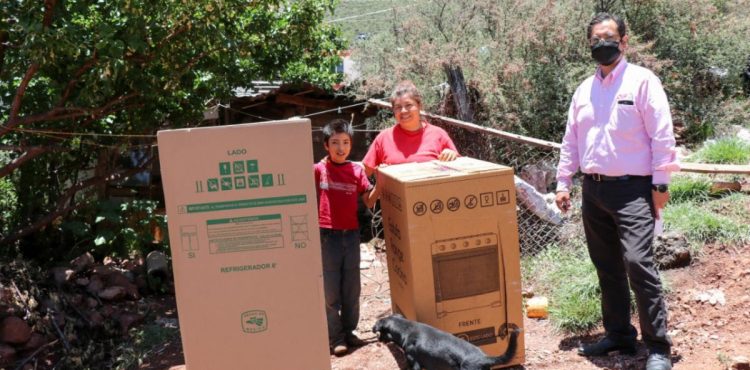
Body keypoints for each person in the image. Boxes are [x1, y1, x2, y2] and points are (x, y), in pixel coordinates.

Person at [555, 13, 679, 370]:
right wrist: (564, 182)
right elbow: (571, 141)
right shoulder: (584, 89)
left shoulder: (642, 82)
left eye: (609, 37)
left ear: (624, 42)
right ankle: (620, 334)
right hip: (593, 191)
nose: (602, 44)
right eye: (595, 39)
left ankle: (658, 348)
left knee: (639, 264)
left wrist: (661, 183)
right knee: (607, 267)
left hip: (633, 190)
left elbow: (662, 135)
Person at [314, 119, 377, 356]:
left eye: (346, 142)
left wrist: (380, 181)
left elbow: (369, 200)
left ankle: (350, 332)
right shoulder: (318, 169)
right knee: (330, 290)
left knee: (352, 288)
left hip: (351, 236)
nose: (341, 148)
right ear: (326, 146)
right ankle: (336, 338)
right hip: (326, 236)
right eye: (335, 143)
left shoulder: (357, 170)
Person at [362, 80, 459, 177]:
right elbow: (363, 173)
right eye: (398, 107)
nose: (403, 111)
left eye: (408, 105)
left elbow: (460, 171)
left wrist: (451, 155)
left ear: (419, 106)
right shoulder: (384, 138)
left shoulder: (438, 135)